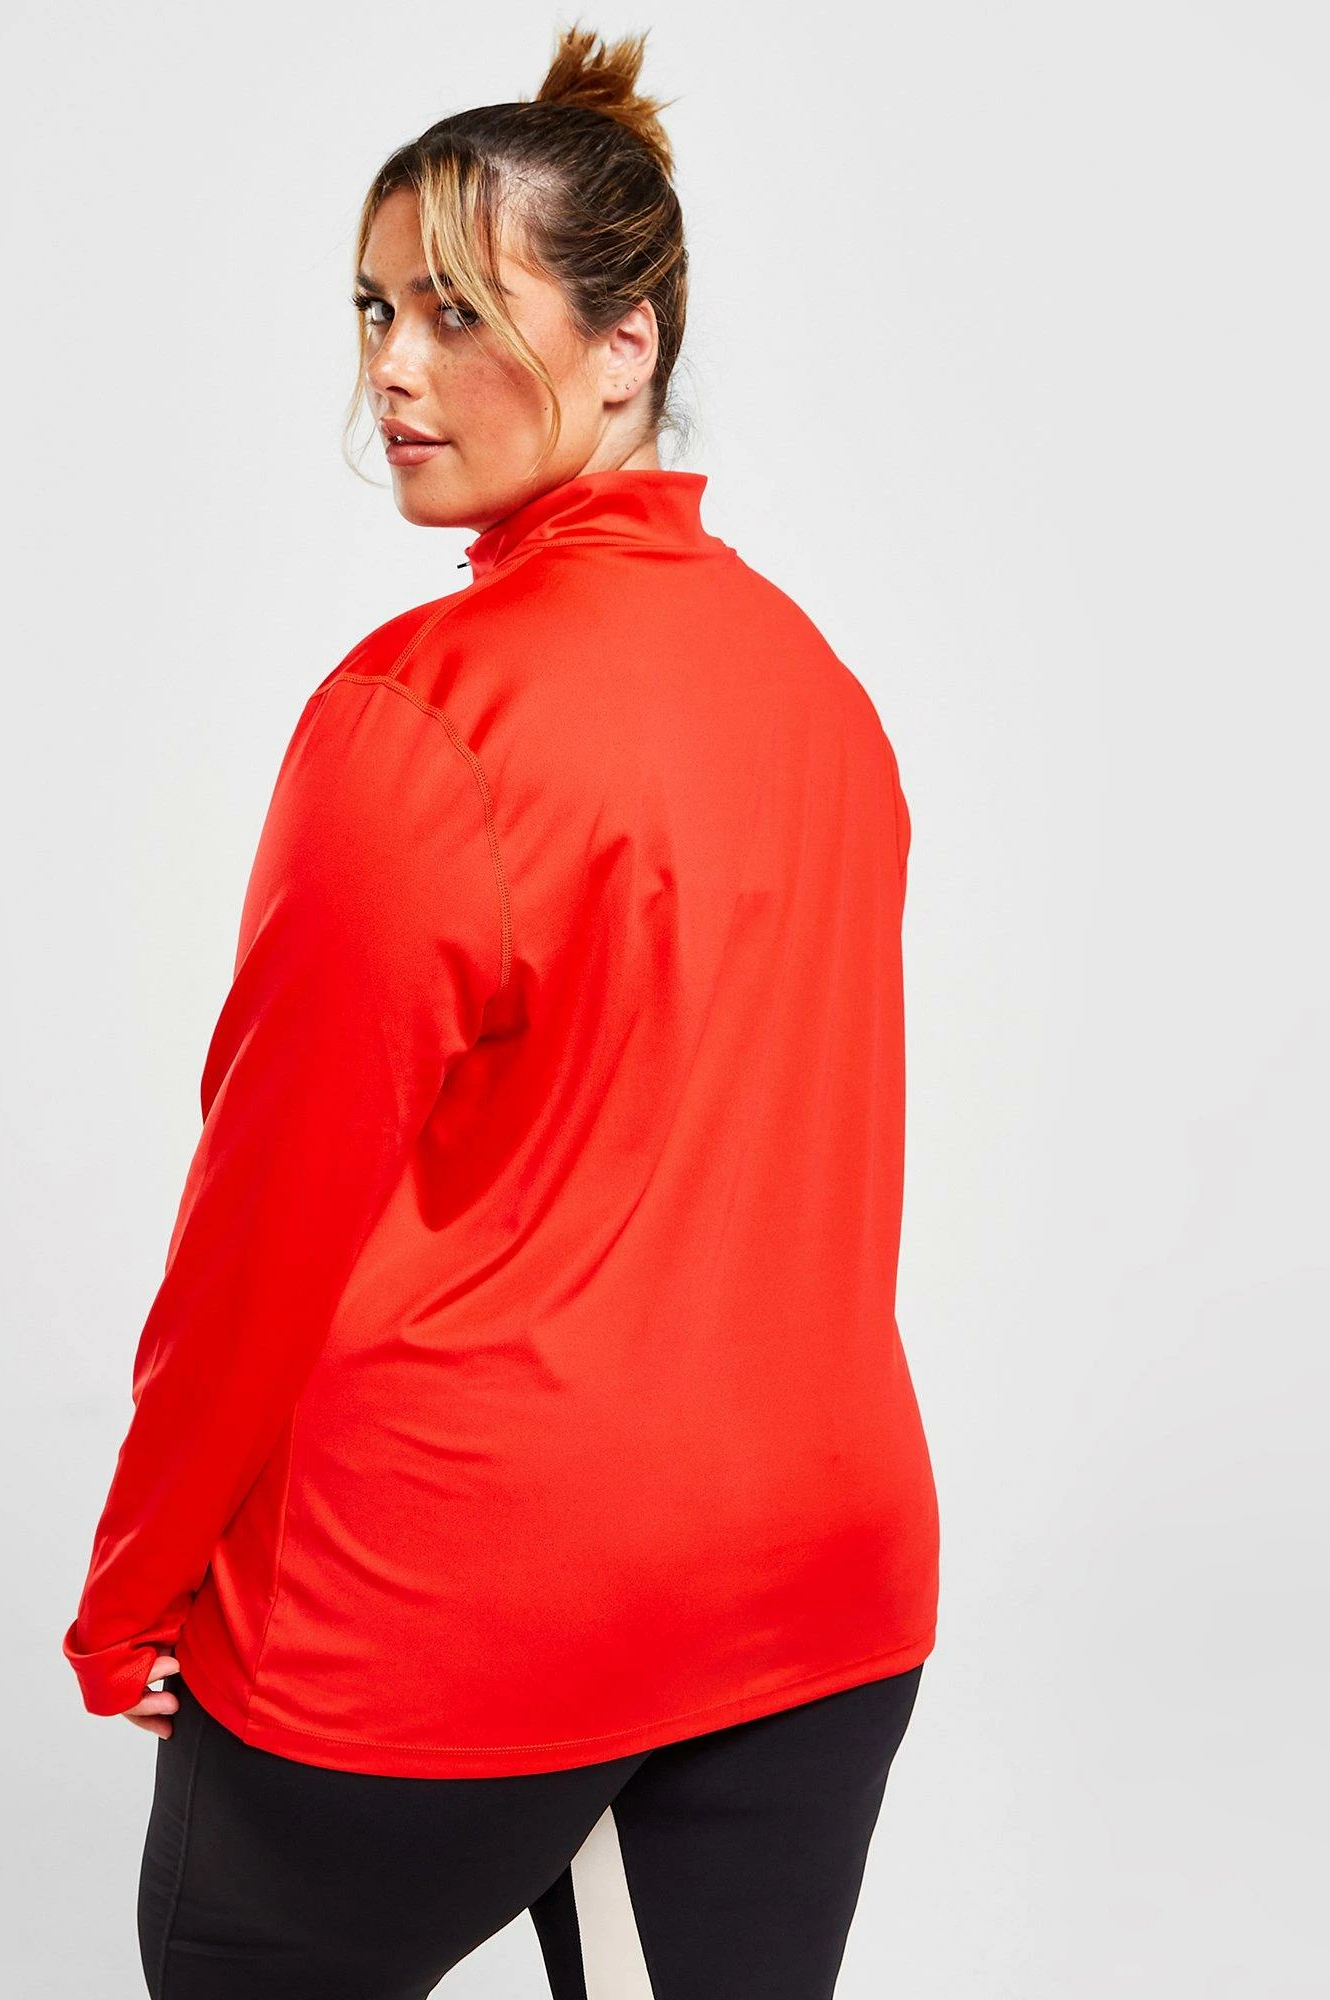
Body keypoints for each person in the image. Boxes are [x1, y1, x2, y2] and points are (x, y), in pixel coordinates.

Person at [62, 23, 941, 1998]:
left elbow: (267, 1211)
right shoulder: (818, 691)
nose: (390, 366)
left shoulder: (421, 714)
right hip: (818, 1579)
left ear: (626, 345)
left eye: (457, 312)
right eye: (373, 308)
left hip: (453, 1604)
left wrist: (133, 1588)